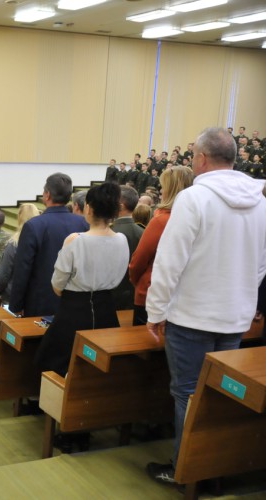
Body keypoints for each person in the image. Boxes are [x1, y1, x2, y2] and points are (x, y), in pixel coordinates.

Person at [145, 127, 266, 486]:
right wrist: (242, 295)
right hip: (234, 316)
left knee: (187, 392)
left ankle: (185, 470)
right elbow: (261, 263)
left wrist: (156, 312)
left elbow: (170, 262)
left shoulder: (193, 199)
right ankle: (212, 469)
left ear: (200, 158)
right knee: (220, 393)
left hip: (192, 315)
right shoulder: (260, 199)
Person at [34, 182, 129, 377]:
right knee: (100, 366)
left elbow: (57, 284)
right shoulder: (121, 239)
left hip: (73, 310)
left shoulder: (75, 240)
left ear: (89, 208)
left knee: (57, 362)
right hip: (106, 308)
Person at [9, 173, 89, 317]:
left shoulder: (33, 225)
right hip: (74, 300)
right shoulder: (83, 224)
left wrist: (16, 304)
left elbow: (22, 268)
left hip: (39, 302)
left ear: (47, 195)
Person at [128, 166, 194, 326]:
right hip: (184, 294)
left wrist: (138, 282)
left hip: (152, 292)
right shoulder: (194, 217)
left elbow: (138, 261)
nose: (161, 192)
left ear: (170, 191)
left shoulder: (161, 220)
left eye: (163, 187)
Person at [0, 203, 39, 306]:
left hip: (13, 297)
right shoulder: (42, 241)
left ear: (19, 218)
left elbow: (4, 275)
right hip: (35, 296)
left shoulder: (14, 243)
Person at [110, 185, 143, 311]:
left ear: (120, 206)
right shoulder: (143, 232)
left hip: (111, 295)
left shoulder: (110, 231)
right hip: (134, 293)